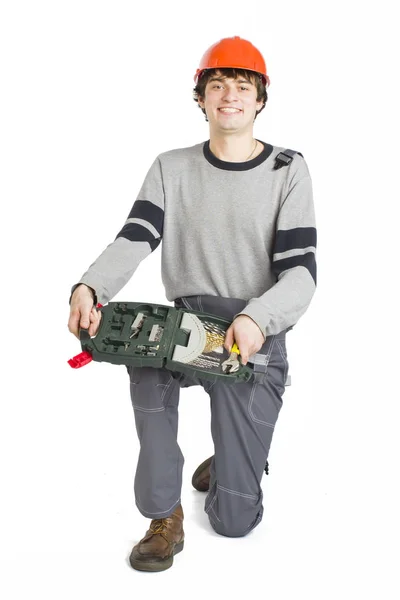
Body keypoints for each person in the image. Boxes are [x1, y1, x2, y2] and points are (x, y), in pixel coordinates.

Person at [68, 35, 317, 572]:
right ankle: (164, 514)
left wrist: (256, 317)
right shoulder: (170, 167)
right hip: (183, 332)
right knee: (144, 362)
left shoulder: (288, 170)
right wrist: (90, 288)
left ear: (260, 100)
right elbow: (134, 237)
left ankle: (230, 464)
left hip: (249, 341)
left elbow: (301, 273)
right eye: (217, 85)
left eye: (243, 86)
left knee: (234, 521)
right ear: (200, 98)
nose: (230, 94)